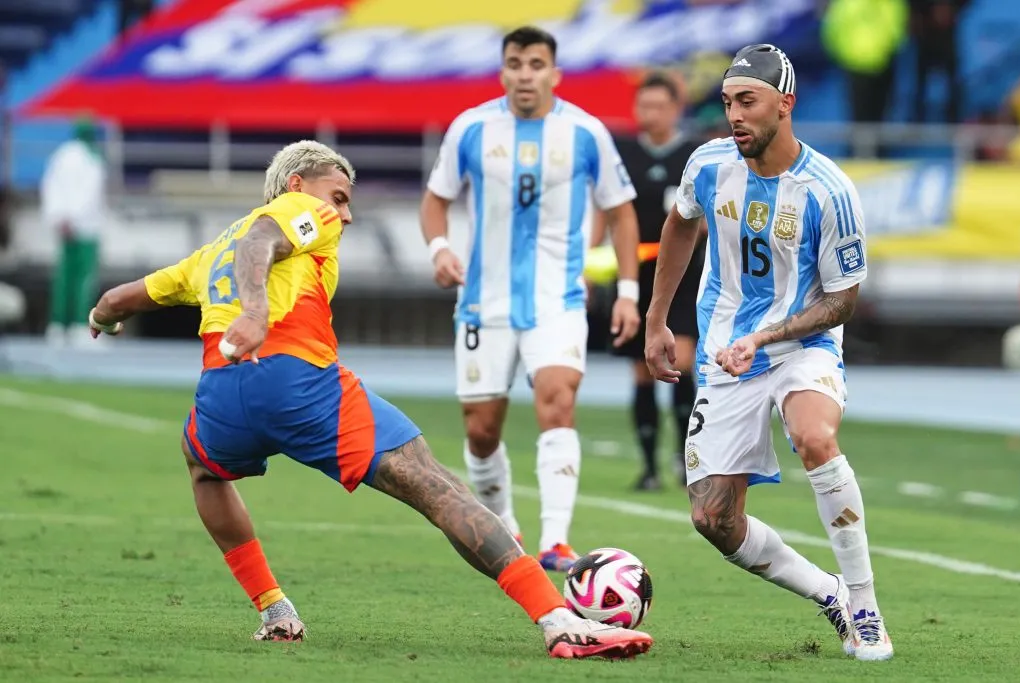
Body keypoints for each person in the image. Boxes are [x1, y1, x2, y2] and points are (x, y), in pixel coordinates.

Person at [86, 140, 652, 660]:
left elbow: (120, 297)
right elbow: (263, 241)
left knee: (205, 471)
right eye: (339, 196)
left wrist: (100, 318)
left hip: (223, 391)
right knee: (437, 485)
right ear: (297, 186)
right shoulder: (299, 213)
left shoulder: (211, 250)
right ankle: (559, 620)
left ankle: (275, 609)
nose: (346, 214)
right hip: (296, 381)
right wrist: (257, 313)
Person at [644, 45, 893, 662]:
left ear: (785, 104)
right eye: (728, 102)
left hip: (801, 346)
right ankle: (828, 593)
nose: (734, 115)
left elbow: (841, 302)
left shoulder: (828, 192)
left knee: (813, 436)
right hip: (727, 354)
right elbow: (680, 224)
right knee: (713, 520)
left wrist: (766, 335)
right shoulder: (708, 164)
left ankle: (864, 607)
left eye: (747, 102)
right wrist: (656, 319)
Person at [420, 26, 641, 571]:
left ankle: (557, 541)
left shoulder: (586, 133)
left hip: (557, 299)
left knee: (558, 401)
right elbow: (435, 200)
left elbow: (622, 212)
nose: (525, 74)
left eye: (536, 64)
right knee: (480, 430)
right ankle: (508, 531)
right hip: (482, 300)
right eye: (515, 63)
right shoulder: (470, 128)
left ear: (554, 73)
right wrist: (441, 249)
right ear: (503, 71)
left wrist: (629, 293)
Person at [592, 72, 704, 492]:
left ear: (676, 108)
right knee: (641, 370)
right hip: (636, 278)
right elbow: (606, 210)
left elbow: (711, 215)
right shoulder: (624, 155)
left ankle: (685, 458)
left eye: (658, 106)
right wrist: (590, 262)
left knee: (680, 363)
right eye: (643, 106)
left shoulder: (695, 155)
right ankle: (649, 468)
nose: (649, 114)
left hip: (685, 276)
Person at [41, 118, 107, 346]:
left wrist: (59, 217)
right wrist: (75, 218)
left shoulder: (61, 155)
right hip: (85, 227)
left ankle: (58, 326)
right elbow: (89, 193)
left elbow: (50, 186)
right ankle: (81, 326)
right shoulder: (92, 158)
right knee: (84, 280)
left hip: (64, 225)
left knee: (63, 278)